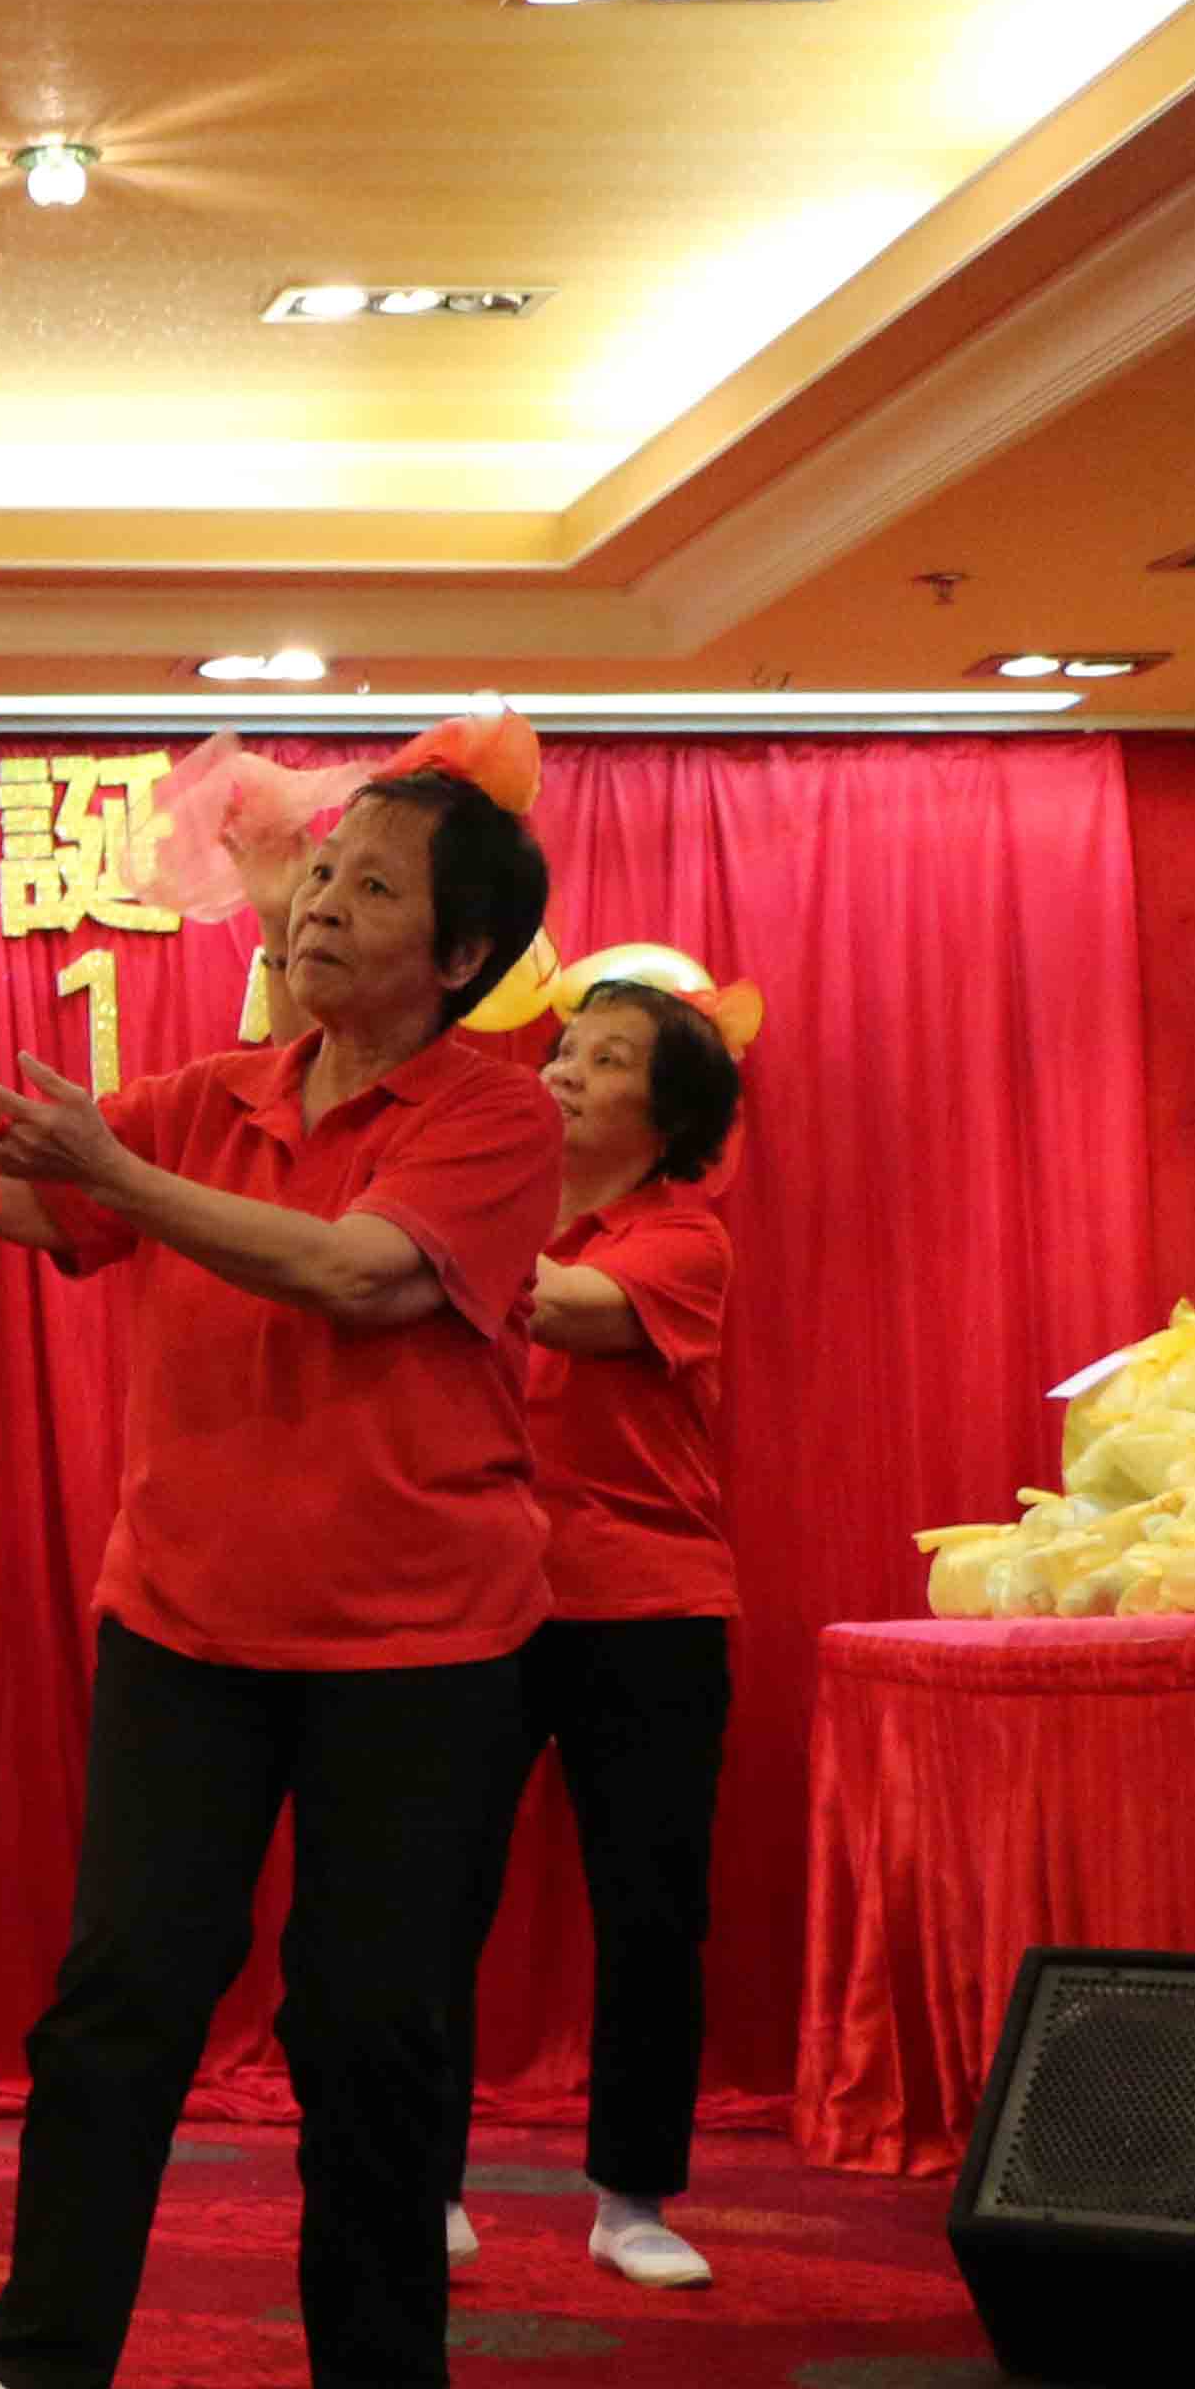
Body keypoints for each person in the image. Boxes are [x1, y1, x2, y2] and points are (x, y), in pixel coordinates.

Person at [0, 765, 561, 2389]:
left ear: (461, 953)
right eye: (322, 872)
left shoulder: (496, 1116)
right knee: (120, 2000)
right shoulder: (203, 1097)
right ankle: (32, 2381)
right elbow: (1, 1186)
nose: (320, 905)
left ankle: (379, 2384)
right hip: (185, 1622)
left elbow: (354, 1273)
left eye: (373, 889)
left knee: (373, 2021)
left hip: (424, 1642)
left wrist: (120, 1174)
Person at [441, 977, 744, 2291]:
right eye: (562, 1048)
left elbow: (559, 1306)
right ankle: (420, 2181)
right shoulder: (496, 1212)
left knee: (650, 1912)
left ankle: (633, 2200)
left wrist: (432, 1222)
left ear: (668, 1118)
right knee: (428, 1899)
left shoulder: (683, 1238)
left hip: (649, 1605)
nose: (563, 1070)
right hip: (477, 1598)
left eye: (607, 1060)